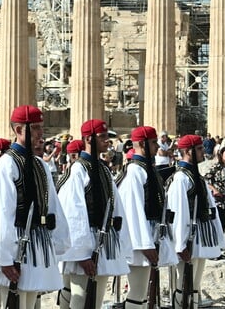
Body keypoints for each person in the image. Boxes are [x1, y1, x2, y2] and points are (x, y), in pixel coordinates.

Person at [0, 105, 69, 309]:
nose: (41, 133)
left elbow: (52, 206)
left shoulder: (40, 165)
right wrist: (4, 258)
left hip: (36, 248)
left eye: (41, 127)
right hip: (15, 251)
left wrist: (57, 244)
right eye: (36, 128)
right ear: (19, 130)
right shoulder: (6, 165)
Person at [56, 119, 130, 309]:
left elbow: (115, 205)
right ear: (89, 139)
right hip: (85, 243)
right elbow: (73, 214)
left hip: (103, 242)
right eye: (103, 137)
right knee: (80, 298)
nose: (108, 141)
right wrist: (81, 254)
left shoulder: (104, 169)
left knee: (95, 300)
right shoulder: (78, 169)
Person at [118, 126, 177, 309]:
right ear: (143, 144)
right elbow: (133, 210)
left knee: (143, 294)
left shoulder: (147, 169)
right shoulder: (135, 171)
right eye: (152, 143)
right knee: (137, 293)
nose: (156, 146)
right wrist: (144, 244)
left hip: (151, 236)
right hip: (139, 242)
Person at [167, 134, 225, 309]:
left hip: (200, 237)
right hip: (189, 239)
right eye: (199, 148)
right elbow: (179, 212)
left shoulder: (195, 176)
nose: (203, 151)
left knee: (194, 286)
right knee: (183, 285)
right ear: (188, 151)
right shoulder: (181, 178)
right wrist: (180, 244)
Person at [204, 146, 225, 235]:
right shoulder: (216, 167)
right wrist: (214, 189)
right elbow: (205, 179)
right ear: (221, 155)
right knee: (218, 221)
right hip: (217, 199)